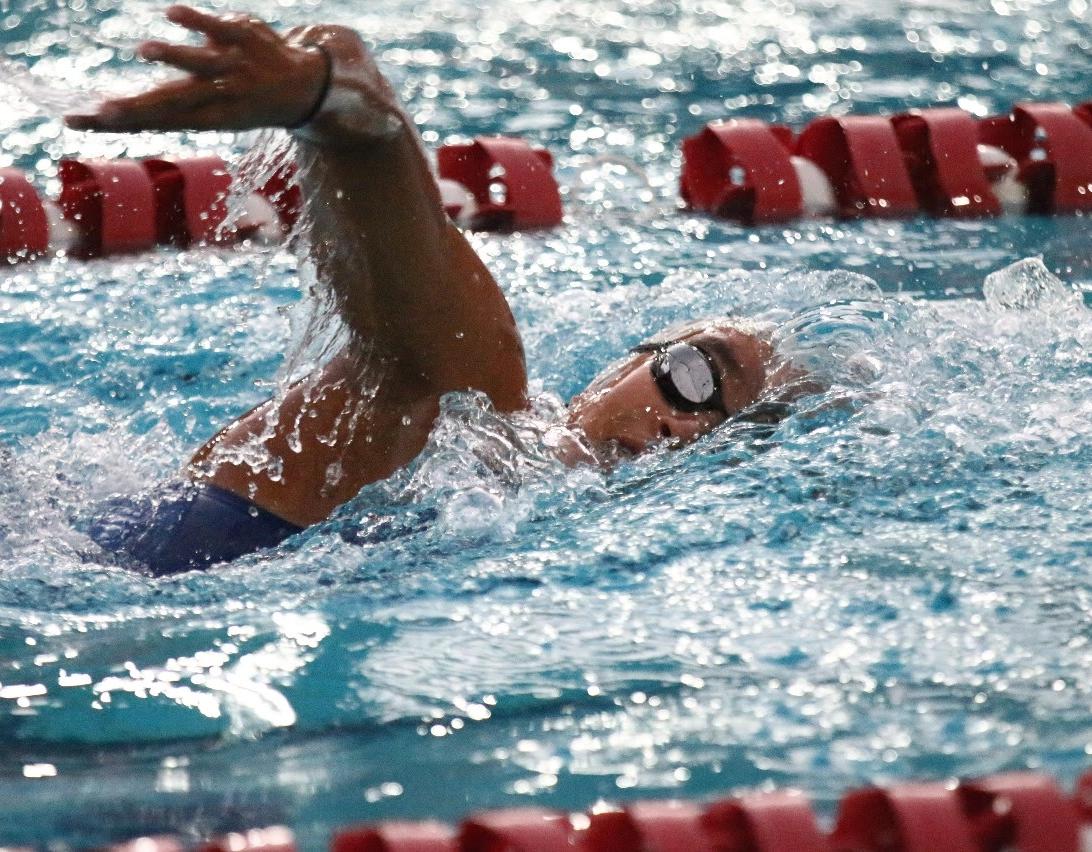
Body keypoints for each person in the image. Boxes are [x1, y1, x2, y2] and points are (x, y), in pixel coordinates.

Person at [65, 6, 799, 575]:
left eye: (733, 435)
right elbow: (368, 129)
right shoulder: (473, 399)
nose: (689, 429)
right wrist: (328, 95)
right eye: (698, 378)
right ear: (625, 363)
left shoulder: (522, 525)